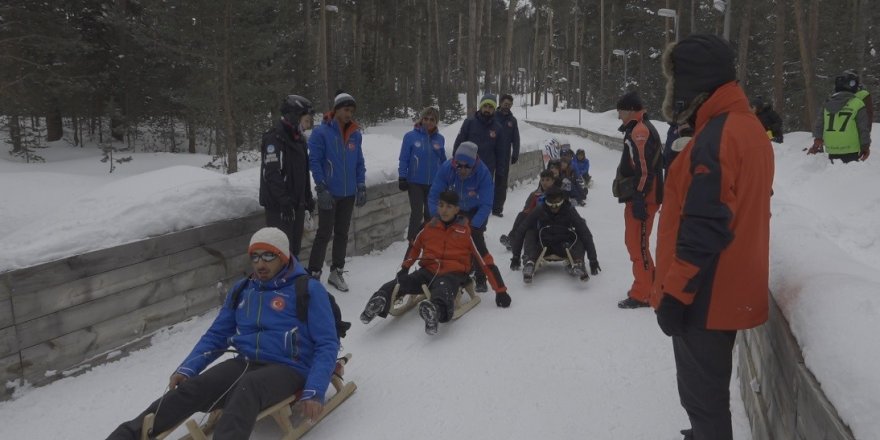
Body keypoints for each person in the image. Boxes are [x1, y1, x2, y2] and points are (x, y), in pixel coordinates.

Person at [106, 228, 339, 440]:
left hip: (290, 367)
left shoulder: (307, 289)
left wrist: (314, 391)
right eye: (255, 256)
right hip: (246, 362)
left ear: (284, 256)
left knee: (247, 388)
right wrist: (188, 368)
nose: (260, 264)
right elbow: (217, 334)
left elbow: (327, 343)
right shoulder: (242, 289)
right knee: (194, 388)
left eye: (268, 256)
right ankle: (127, 436)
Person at [654, 34, 774, 440]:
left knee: (703, 401)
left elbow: (705, 225)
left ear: (691, 84)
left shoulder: (717, 136)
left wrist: (674, 294)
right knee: (707, 397)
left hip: (704, 295)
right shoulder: (746, 127)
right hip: (726, 288)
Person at [360, 191, 511, 335]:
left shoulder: (468, 231)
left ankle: (435, 311)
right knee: (402, 282)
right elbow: (414, 247)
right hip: (428, 270)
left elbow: (485, 261)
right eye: (441, 205)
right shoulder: (429, 226)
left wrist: (501, 290)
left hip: (454, 273)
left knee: (443, 287)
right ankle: (379, 300)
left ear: (457, 209)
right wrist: (405, 268)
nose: (444, 210)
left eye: (449, 207)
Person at [308, 91, 367, 292]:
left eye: (351, 110)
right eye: (345, 109)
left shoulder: (355, 134)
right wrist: (321, 187)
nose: (349, 113)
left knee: (342, 232)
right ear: (336, 110)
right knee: (324, 233)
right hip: (329, 193)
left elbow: (359, 162)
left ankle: (337, 271)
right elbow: (314, 161)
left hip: (348, 193)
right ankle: (314, 274)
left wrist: (361, 185)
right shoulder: (321, 132)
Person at [613, 91, 664, 309]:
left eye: (621, 112)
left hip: (644, 197)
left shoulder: (640, 131)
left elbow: (644, 170)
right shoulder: (637, 128)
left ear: (632, 110)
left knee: (638, 245)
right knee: (633, 243)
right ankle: (648, 285)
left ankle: (644, 293)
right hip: (639, 197)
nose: (619, 117)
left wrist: (640, 197)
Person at [427, 141, 495, 293]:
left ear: (474, 164)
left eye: (467, 166)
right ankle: (448, 271)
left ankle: (481, 276)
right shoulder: (446, 168)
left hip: (475, 210)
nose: (462, 170)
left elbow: (486, 203)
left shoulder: (483, 172)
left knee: (474, 240)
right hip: (454, 208)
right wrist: (437, 215)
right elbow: (434, 195)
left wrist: (474, 225)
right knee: (449, 239)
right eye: (459, 165)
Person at [259, 95, 317, 260]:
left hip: (296, 203)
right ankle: (282, 283)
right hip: (279, 207)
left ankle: (293, 281)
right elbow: (272, 174)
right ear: (294, 118)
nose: (307, 126)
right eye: (306, 121)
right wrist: (284, 201)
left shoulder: (299, 140)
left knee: (294, 249)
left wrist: (307, 197)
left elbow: (303, 172)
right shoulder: (274, 139)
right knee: (281, 251)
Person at [508, 186, 601, 282]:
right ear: (546, 201)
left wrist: (593, 259)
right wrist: (516, 256)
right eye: (551, 204)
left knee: (580, 232)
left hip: (564, 245)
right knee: (530, 231)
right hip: (543, 245)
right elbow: (521, 230)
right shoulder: (540, 209)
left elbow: (585, 233)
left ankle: (578, 262)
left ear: (562, 201)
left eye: (557, 204)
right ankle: (529, 262)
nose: (554, 207)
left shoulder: (569, 210)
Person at [398, 106, 446, 246]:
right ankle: (413, 241)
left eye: (432, 119)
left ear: (436, 122)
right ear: (421, 119)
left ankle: (428, 239)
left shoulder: (440, 139)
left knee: (431, 213)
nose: (428, 122)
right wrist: (402, 177)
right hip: (415, 182)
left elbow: (443, 161)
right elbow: (404, 158)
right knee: (417, 212)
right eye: (426, 118)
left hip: (433, 183)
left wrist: (445, 178)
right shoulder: (410, 137)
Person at [453, 93, 505, 212]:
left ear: (494, 109)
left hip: (487, 170)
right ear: (481, 106)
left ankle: (478, 227)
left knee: (482, 202)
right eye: (485, 106)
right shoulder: (469, 122)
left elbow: (501, 153)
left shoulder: (498, 128)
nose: (487, 109)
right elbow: (459, 144)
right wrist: (455, 163)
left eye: (491, 107)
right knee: (464, 201)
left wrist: (500, 172)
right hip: (467, 169)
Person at [808, 70, 872, 163]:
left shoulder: (827, 103)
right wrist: (865, 146)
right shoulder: (858, 104)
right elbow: (863, 128)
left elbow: (820, 124)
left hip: (832, 149)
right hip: (851, 149)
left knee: (834, 175)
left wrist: (818, 139)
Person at [499, 169, 559, 250]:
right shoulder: (535, 194)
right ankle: (512, 240)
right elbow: (527, 208)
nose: (544, 183)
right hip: (536, 220)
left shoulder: (558, 194)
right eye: (543, 180)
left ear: (553, 181)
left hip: (550, 222)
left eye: (548, 180)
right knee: (522, 215)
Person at [492, 93, 521, 217]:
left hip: (504, 157)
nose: (507, 106)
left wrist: (515, 153)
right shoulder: (492, 116)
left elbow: (516, 138)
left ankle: (497, 209)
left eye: (509, 105)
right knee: (486, 181)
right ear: (500, 103)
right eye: (505, 104)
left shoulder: (512, 121)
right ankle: (484, 205)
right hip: (490, 154)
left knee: (501, 184)